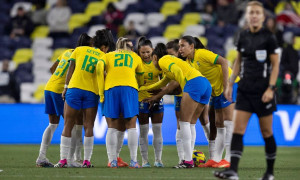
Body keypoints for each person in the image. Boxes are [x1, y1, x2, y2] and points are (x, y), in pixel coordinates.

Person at [214, 1, 279, 180]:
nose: (255, 15)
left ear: (263, 17)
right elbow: (238, 62)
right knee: (237, 130)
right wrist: (229, 84)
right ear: (248, 16)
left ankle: (270, 173)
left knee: (267, 132)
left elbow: (275, 66)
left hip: (264, 91)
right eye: (251, 12)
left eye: (258, 12)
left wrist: (271, 89)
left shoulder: (269, 38)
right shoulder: (242, 36)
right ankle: (233, 171)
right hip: (244, 89)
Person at [140, 43, 212, 168]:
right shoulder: (169, 64)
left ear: (155, 57)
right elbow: (162, 84)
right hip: (204, 84)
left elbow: (178, 71)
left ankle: (187, 161)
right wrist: (141, 89)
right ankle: (189, 159)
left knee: (183, 123)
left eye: (152, 58)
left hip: (193, 84)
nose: (152, 62)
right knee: (191, 124)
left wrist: (185, 89)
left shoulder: (164, 60)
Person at [55, 29, 115, 168]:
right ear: (104, 46)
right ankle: (86, 161)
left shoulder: (79, 49)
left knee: (68, 124)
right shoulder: (103, 56)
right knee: (89, 126)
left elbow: (71, 68)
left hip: (74, 89)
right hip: (91, 92)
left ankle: (63, 160)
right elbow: (104, 74)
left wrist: (65, 87)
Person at [179, 36, 239, 168]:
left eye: (183, 45)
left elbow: (224, 62)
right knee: (218, 124)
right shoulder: (189, 61)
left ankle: (229, 158)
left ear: (192, 46)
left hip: (228, 85)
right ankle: (216, 159)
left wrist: (226, 86)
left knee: (228, 122)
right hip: (216, 91)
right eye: (179, 46)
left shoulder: (202, 54)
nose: (180, 49)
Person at [36, 33, 92, 168]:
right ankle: (70, 159)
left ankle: (41, 157)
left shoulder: (67, 52)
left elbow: (52, 68)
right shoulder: (82, 56)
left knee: (53, 124)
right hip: (60, 91)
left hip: (49, 87)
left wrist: (58, 79)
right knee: (70, 124)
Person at [100, 37, 144, 168]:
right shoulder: (135, 56)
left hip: (110, 88)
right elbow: (141, 75)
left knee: (112, 126)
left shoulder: (108, 56)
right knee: (131, 125)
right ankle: (134, 161)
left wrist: (101, 87)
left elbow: (98, 69)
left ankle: (112, 161)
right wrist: (139, 85)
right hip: (129, 88)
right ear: (129, 48)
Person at [136, 37, 164, 168]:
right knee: (143, 131)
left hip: (157, 99)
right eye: (143, 52)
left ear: (152, 50)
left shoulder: (158, 62)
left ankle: (158, 160)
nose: (146, 55)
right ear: (138, 52)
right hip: (142, 99)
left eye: (148, 52)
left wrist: (160, 92)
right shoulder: (136, 63)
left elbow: (166, 81)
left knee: (157, 130)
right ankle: (145, 160)